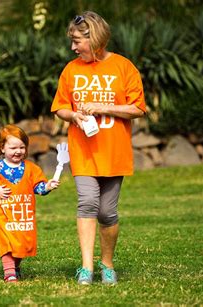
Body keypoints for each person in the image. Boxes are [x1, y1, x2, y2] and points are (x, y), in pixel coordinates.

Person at [51, 11, 146, 285]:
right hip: (82, 149)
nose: (73, 47)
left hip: (113, 151)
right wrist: (74, 116)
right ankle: (86, 268)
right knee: (88, 203)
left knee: (107, 212)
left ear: (95, 39)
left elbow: (138, 108)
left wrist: (105, 108)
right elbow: (60, 107)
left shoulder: (123, 67)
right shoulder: (71, 70)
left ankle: (107, 265)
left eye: (78, 41)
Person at [0, 124, 60, 283]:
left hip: (23, 215)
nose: (18, 151)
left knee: (22, 242)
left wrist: (47, 186)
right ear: (2, 148)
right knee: (6, 241)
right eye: (13, 147)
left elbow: (38, 187)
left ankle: (15, 266)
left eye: (22, 147)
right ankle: (9, 272)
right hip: (2, 214)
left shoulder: (31, 169)